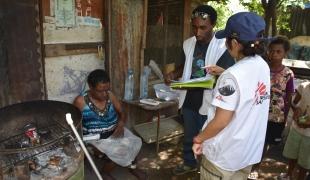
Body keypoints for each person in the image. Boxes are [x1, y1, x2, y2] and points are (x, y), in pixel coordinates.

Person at [192, 12, 270, 180]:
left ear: (235, 43)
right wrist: (226, 72)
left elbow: (221, 121)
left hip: (223, 158)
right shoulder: (263, 66)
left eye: (227, 40)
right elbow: (246, 89)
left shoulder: (232, 76)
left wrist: (199, 139)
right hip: (247, 154)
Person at [164, 5, 235, 175]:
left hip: (211, 99)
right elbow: (184, 65)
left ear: (213, 25)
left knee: (208, 136)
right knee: (189, 135)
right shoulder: (188, 44)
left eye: (203, 27)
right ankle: (189, 162)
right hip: (189, 97)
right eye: (194, 27)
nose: (198, 32)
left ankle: (206, 168)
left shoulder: (223, 47)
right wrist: (174, 73)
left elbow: (229, 75)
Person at [73, 69, 146, 180]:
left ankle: (132, 166)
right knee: (119, 152)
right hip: (95, 138)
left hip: (116, 131)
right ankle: (105, 172)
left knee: (134, 143)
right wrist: (88, 144)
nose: (104, 94)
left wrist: (121, 124)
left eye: (107, 90)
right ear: (90, 87)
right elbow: (74, 125)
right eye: (100, 91)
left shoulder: (110, 96)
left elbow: (122, 112)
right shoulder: (80, 101)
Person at [249, 36, 295, 179]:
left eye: (278, 51)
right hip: (257, 113)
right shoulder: (262, 68)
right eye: (272, 51)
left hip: (276, 117)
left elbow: (288, 97)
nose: (274, 54)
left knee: (267, 142)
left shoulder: (288, 74)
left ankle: (256, 166)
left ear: (285, 53)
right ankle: (251, 165)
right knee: (255, 139)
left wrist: (284, 119)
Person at [279, 81, 310, 180]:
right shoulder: (304, 86)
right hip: (297, 127)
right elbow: (294, 103)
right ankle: (288, 175)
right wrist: (296, 110)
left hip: (309, 135)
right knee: (293, 155)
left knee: (305, 161)